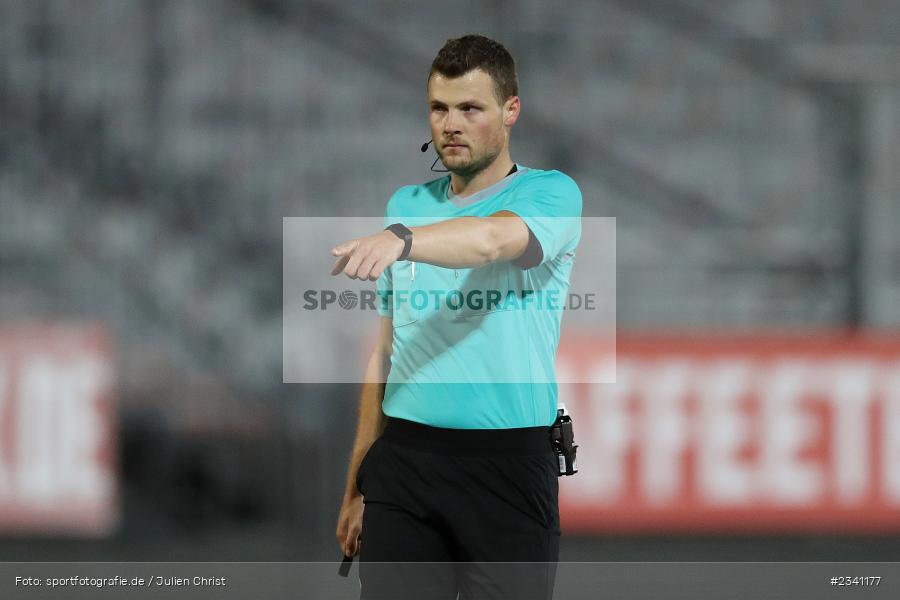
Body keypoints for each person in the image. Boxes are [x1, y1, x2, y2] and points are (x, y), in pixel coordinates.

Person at [333, 34, 582, 600]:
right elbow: (386, 355)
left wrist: (403, 240)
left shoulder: (551, 194)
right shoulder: (406, 205)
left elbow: (491, 240)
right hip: (404, 467)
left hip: (508, 470)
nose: (451, 124)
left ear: (511, 110)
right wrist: (356, 487)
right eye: (439, 108)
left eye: (470, 108)